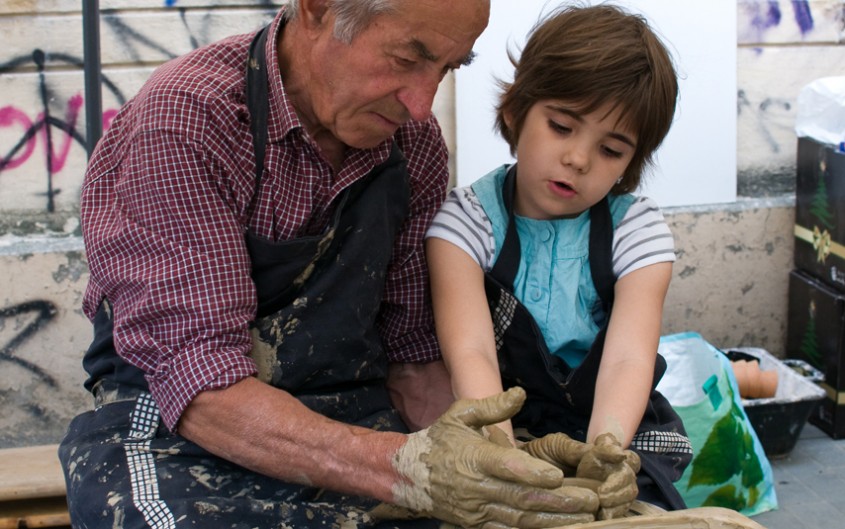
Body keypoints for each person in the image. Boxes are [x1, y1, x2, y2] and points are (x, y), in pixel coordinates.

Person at [58, 1, 639, 528]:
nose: (421, 103)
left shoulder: (414, 145)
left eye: (448, 69)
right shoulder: (187, 123)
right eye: (409, 58)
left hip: (358, 422)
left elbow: (413, 363)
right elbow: (203, 391)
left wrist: (500, 461)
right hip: (178, 434)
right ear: (318, 9)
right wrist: (407, 469)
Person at [425, 3, 695, 513]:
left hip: (614, 422)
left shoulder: (636, 232)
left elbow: (625, 360)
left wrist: (604, 458)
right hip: (501, 422)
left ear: (630, 164)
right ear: (515, 110)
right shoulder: (465, 223)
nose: (579, 159)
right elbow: (472, 356)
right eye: (562, 126)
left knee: (638, 512)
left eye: (611, 150)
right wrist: (506, 465)